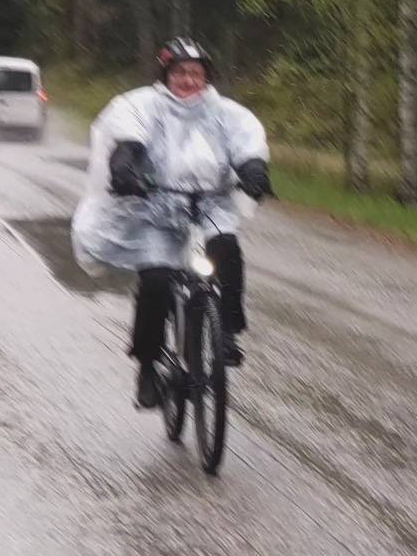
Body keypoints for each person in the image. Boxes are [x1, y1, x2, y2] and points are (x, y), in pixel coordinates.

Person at [71, 38, 272, 407]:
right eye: (180, 73)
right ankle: (148, 367)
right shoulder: (143, 106)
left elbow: (246, 144)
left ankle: (226, 331)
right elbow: (127, 141)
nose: (188, 80)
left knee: (226, 249)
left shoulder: (225, 112)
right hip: (155, 208)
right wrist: (126, 169)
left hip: (211, 202)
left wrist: (254, 171)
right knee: (157, 281)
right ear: (166, 75)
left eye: (196, 73)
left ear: (207, 77)